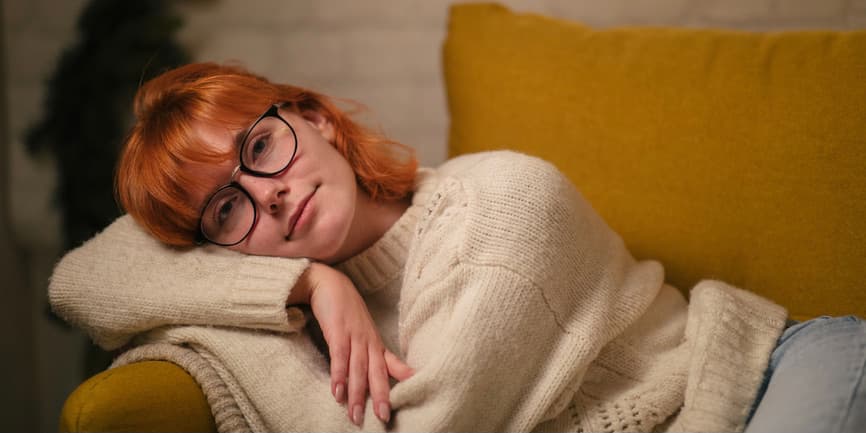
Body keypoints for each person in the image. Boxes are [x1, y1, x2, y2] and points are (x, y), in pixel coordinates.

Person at [49, 62, 865, 433]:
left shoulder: (500, 208)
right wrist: (307, 285)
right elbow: (81, 279)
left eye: (262, 148)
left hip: (763, 382)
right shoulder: (293, 288)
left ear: (318, 118)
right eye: (225, 209)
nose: (268, 193)